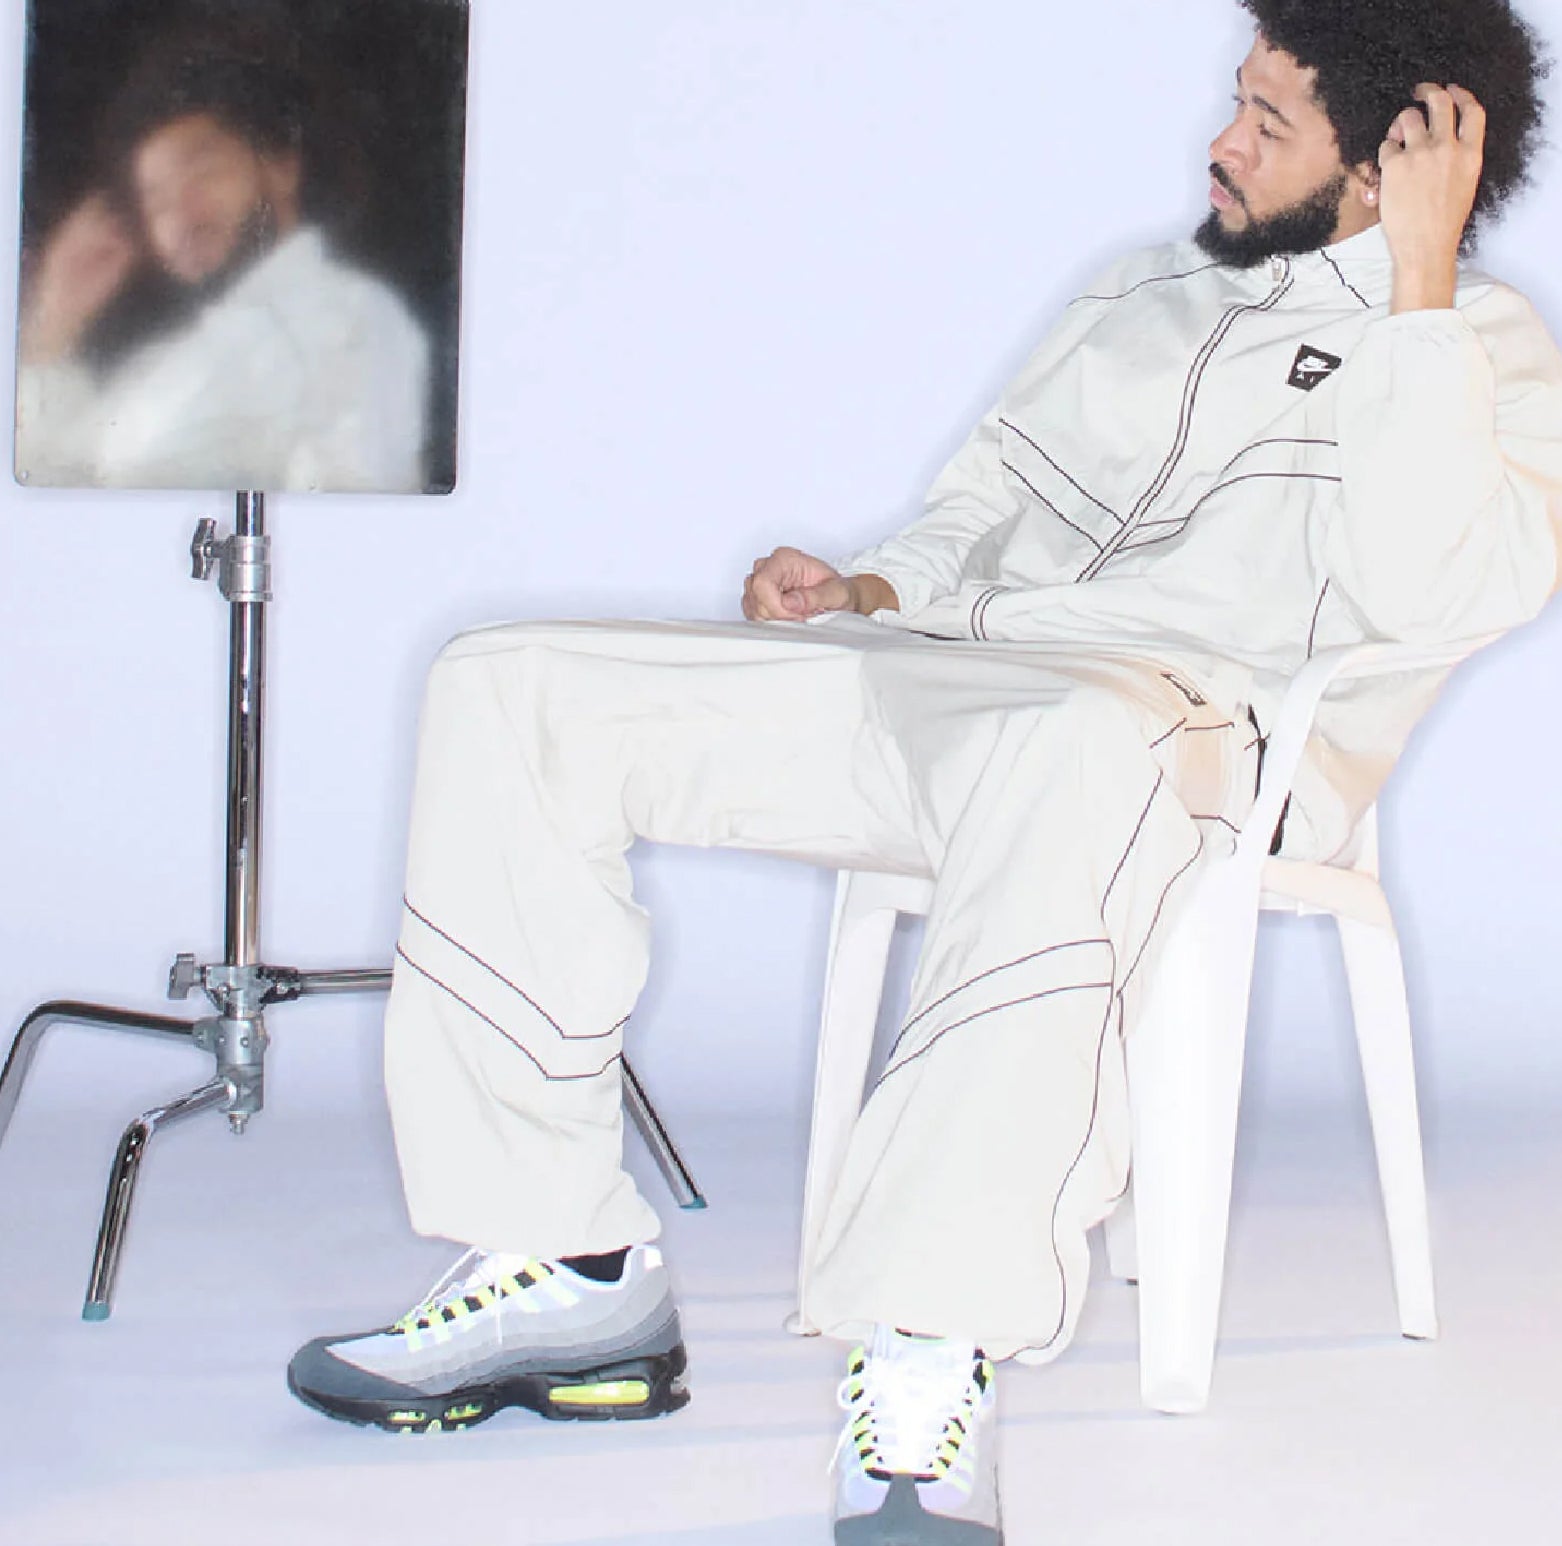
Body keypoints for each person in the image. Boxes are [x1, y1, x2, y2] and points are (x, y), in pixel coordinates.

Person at [288, 1, 1562, 1541]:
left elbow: (1431, 592)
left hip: (1183, 738)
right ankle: (562, 1267)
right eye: (1233, 101)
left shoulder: (1476, 346)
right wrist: (868, 588)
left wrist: (1416, 290)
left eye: (1267, 123)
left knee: (1070, 742)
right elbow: (979, 508)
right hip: (958, 682)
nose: (1219, 144)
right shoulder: (1138, 293)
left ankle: (924, 1349)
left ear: (1387, 165)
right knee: (512, 686)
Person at [14, 22, 428, 494]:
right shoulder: (160, 363)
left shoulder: (351, 319)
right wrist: (56, 322)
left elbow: (356, 519)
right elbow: (43, 495)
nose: (179, 219)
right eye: (156, 201)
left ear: (281, 166)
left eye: (202, 173)